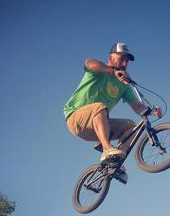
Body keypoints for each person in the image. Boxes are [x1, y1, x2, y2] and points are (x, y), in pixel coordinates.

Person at [63, 43, 162, 182]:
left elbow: (137, 107)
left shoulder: (123, 85)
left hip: (96, 124)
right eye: (121, 58)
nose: (124, 62)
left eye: (126, 60)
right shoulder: (99, 70)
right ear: (110, 57)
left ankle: (115, 163)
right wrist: (111, 71)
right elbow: (89, 62)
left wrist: (152, 111)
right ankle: (107, 149)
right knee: (99, 106)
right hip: (75, 117)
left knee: (131, 126)